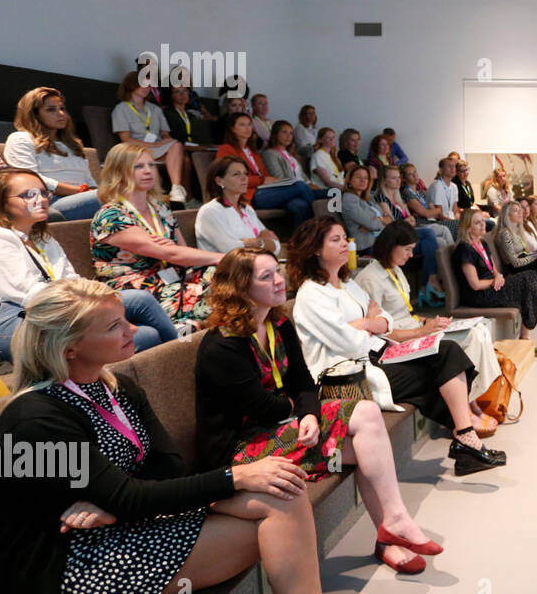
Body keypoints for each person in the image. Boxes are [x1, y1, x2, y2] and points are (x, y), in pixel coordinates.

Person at [0, 279, 335, 594]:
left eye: (125, 320)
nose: (132, 329)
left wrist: (116, 504)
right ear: (69, 348)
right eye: (114, 326)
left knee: (284, 495)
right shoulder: (37, 418)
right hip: (70, 571)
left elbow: (168, 466)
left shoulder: (115, 388)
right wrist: (235, 477)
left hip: (125, 525)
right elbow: (129, 494)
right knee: (281, 513)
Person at [197, 248, 445, 573]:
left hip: (281, 426)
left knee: (368, 415)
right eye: (266, 276)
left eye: (277, 270)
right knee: (366, 447)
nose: (278, 280)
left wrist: (310, 413)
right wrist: (297, 409)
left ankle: (395, 522)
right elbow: (263, 408)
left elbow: (303, 381)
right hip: (242, 449)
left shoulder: (279, 322)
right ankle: (389, 537)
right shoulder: (221, 345)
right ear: (240, 288)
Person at [285, 217, 505, 476]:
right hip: (348, 373)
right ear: (315, 249)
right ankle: (466, 438)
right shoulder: (311, 294)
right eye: (336, 240)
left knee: (447, 350)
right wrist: (370, 322)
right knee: (433, 372)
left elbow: (386, 321)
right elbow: (350, 344)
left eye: (345, 237)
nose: (346, 244)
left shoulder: (348, 284)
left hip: (379, 352)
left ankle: (465, 438)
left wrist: (365, 323)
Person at [0, 169, 177, 360]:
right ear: (0, 201)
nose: (42, 200)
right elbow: (31, 294)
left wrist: (99, 300)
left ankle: (182, 354)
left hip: (59, 305)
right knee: (147, 335)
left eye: (44, 193)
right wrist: (96, 306)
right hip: (5, 315)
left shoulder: (41, 237)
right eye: (28, 195)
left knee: (141, 300)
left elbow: (71, 279)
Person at [354, 222, 499, 434]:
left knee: (480, 329)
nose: (411, 255)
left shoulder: (395, 270)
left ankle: (471, 400)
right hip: (399, 340)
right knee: (468, 340)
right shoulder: (369, 279)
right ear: (391, 246)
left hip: (416, 327)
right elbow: (381, 331)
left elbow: (405, 312)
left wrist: (428, 322)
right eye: (407, 249)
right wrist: (422, 331)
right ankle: (465, 406)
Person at [90, 143, 222, 326]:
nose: (148, 171)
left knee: (227, 276)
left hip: (173, 276)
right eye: (138, 166)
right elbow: (172, 254)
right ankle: (189, 331)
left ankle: (193, 325)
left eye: (151, 165)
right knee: (223, 296)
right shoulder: (111, 215)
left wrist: (174, 251)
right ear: (118, 172)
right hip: (137, 287)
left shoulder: (161, 209)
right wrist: (224, 257)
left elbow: (182, 253)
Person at [456, 209, 537, 344]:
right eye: (477, 223)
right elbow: (475, 284)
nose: (482, 225)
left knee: (531, 277)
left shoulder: (482, 243)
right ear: (468, 227)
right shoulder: (464, 249)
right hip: (480, 295)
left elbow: (493, 268)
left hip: (493, 286)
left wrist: (498, 276)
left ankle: (532, 334)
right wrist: (494, 281)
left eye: (482, 221)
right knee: (527, 281)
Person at [4, 87, 102, 220]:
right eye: (51, 109)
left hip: (85, 197)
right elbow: (30, 179)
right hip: (49, 202)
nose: (61, 113)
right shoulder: (21, 139)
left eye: (62, 108)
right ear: (34, 114)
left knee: (122, 193)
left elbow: (90, 181)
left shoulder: (73, 144)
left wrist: (90, 191)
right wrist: (78, 191)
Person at [215, 113, 316, 228]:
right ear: (232, 129)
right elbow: (232, 178)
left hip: (265, 191)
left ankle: (301, 241)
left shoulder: (252, 151)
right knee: (299, 186)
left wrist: (272, 181)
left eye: (249, 125)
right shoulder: (226, 149)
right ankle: (319, 228)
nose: (247, 128)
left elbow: (264, 174)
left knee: (299, 205)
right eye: (242, 125)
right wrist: (261, 180)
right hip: (249, 194)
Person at [110, 71, 190, 205]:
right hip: (135, 149)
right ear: (131, 85)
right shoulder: (121, 109)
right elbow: (126, 139)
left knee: (177, 147)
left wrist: (164, 140)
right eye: (143, 84)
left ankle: (176, 189)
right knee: (182, 158)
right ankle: (158, 194)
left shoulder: (155, 109)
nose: (146, 87)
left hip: (158, 147)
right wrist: (154, 146)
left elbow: (165, 134)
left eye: (149, 85)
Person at [375, 165, 444, 304]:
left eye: (399, 177)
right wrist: (407, 221)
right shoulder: (382, 198)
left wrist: (409, 220)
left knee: (440, 241)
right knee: (429, 233)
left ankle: (434, 281)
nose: (398, 181)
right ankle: (431, 281)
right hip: (396, 238)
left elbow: (409, 218)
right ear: (384, 181)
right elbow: (391, 224)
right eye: (393, 178)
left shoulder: (397, 197)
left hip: (406, 233)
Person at [194, 157, 281, 256]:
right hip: (225, 269)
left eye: (245, 173)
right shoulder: (210, 211)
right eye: (236, 174)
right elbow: (230, 250)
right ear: (219, 181)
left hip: (253, 265)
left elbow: (276, 246)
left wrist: (252, 242)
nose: (244, 178)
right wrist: (261, 242)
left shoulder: (247, 209)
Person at [263, 120, 331, 198]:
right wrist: (304, 186)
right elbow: (279, 179)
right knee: (299, 205)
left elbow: (304, 178)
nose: (288, 136)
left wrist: (312, 186)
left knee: (335, 193)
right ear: (275, 134)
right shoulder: (270, 153)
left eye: (291, 133)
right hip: (290, 191)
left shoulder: (292, 155)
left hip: (303, 189)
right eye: (284, 132)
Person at [400, 163, 452, 248]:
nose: (415, 175)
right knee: (451, 228)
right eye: (410, 174)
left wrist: (432, 211)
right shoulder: (406, 193)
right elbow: (427, 213)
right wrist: (431, 211)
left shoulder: (421, 192)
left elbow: (436, 211)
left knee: (457, 224)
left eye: (415, 172)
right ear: (404, 178)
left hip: (432, 220)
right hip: (422, 223)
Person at [341, 164, 388, 255]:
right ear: (349, 180)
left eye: (366, 178)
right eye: (358, 177)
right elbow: (372, 224)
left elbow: (390, 218)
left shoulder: (368, 197)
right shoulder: (349, 199)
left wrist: (379, 220)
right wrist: (381, 221)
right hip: (367, 246)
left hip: (381, 240)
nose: (363, 180)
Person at [163, 82, 209, 147]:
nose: (182, 94)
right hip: (179, 148)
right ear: (171, 95)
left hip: (193, 147)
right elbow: (174, 139)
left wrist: (207, 146)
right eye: (177, 92)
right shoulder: (168, 114)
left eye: (185, 90)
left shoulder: (191, 115)